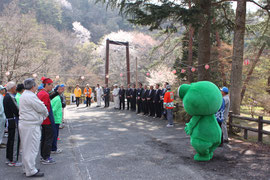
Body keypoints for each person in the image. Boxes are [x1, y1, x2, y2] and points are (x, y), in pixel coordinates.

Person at [19, 78, 48, 177]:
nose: (36, 87)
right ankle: (31, 169)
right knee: (32, 148)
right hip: (30, 125)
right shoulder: (30, 96)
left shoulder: (25, 95)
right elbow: (41, 107)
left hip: (26, 124)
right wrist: (44, 114)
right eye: (35, 85)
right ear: (33, 86)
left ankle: (27, 167)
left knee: (26, 147)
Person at [37, 77, 56, 164]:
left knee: (44, 138)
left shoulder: (40, 93)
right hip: (47, 119)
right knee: (48, 138)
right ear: (47, 85)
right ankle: (46, 157)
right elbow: (44, 108)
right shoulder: (45, 94)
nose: (52, 87)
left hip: (43, 119)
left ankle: (43, 156)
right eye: (51, 85)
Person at [3, 81, 21, 167]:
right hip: (13, 121)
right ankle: (13, 160)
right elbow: (16, 110)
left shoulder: (6, 96)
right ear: (12, 88)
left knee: (10, 140)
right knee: (14, 140)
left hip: (9, 120)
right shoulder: (10, 97)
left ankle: (8, 158)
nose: (16, 88)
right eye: (15, 87)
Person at [51, 85, 65, 154]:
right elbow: (54, 109)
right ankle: (53, 148)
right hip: (55, 118)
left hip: (55, 118)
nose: (62, 90)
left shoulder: (55, 97)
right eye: (60, 89)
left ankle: (53, 148)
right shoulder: (57, 98)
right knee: (55, 134)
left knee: (55, 134)